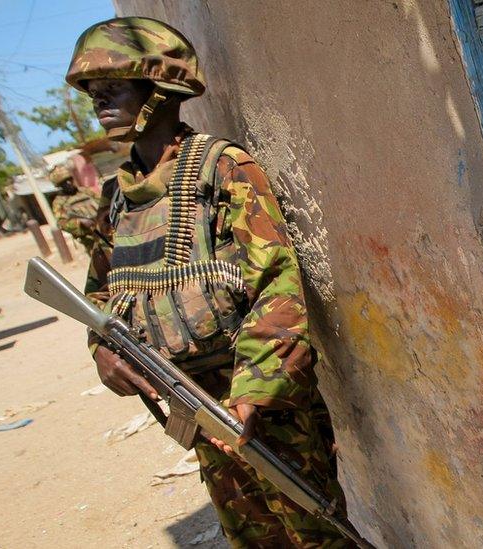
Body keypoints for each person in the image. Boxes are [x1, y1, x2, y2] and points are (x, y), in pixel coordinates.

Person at [65, 17, 351, 548]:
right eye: (93, 92)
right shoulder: (118, 199)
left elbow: (276, 284)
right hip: (193, 404)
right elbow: (99, 293)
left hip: (262, 407)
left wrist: (251, 394)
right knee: (247, 534)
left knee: (314, 533)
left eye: (114, 88)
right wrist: (102, 349)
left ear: (160, 90)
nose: (99, 103)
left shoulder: (222, 170)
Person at [49, 164, 101, 254]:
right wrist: (80, 223)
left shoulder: (85, 191)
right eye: (64, 182)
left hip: (105, 230)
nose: (69, 183)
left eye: (69, 179)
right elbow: (61, 223)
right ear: (59, 185)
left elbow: (103, 203)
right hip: (90, 239)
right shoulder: (59, 202)